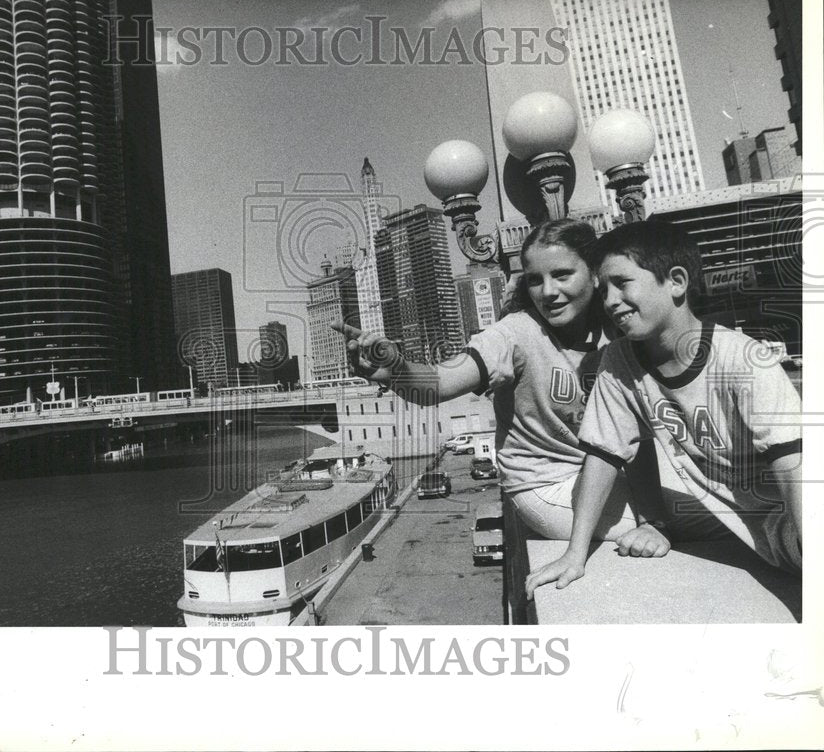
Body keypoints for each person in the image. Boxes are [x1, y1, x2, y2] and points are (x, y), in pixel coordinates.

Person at [332, 217, 665, 552]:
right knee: (696, 512)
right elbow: (439, 383)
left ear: (594, 274)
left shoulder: (617, 331)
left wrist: (655, 520)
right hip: (546, 486)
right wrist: (396, 369)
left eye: (562, 275)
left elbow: (637, 430)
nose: (548, 291)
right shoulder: (514, 333)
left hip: (597, 476)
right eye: (535, 280)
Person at [526, 221, 802, 597]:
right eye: (603, 289)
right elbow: (603, 454)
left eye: (622, 283)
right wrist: (575, 555)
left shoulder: (743, 360)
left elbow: (794, 468)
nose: (609, 300)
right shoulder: (620, 359)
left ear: (675, 281)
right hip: (762, 531)